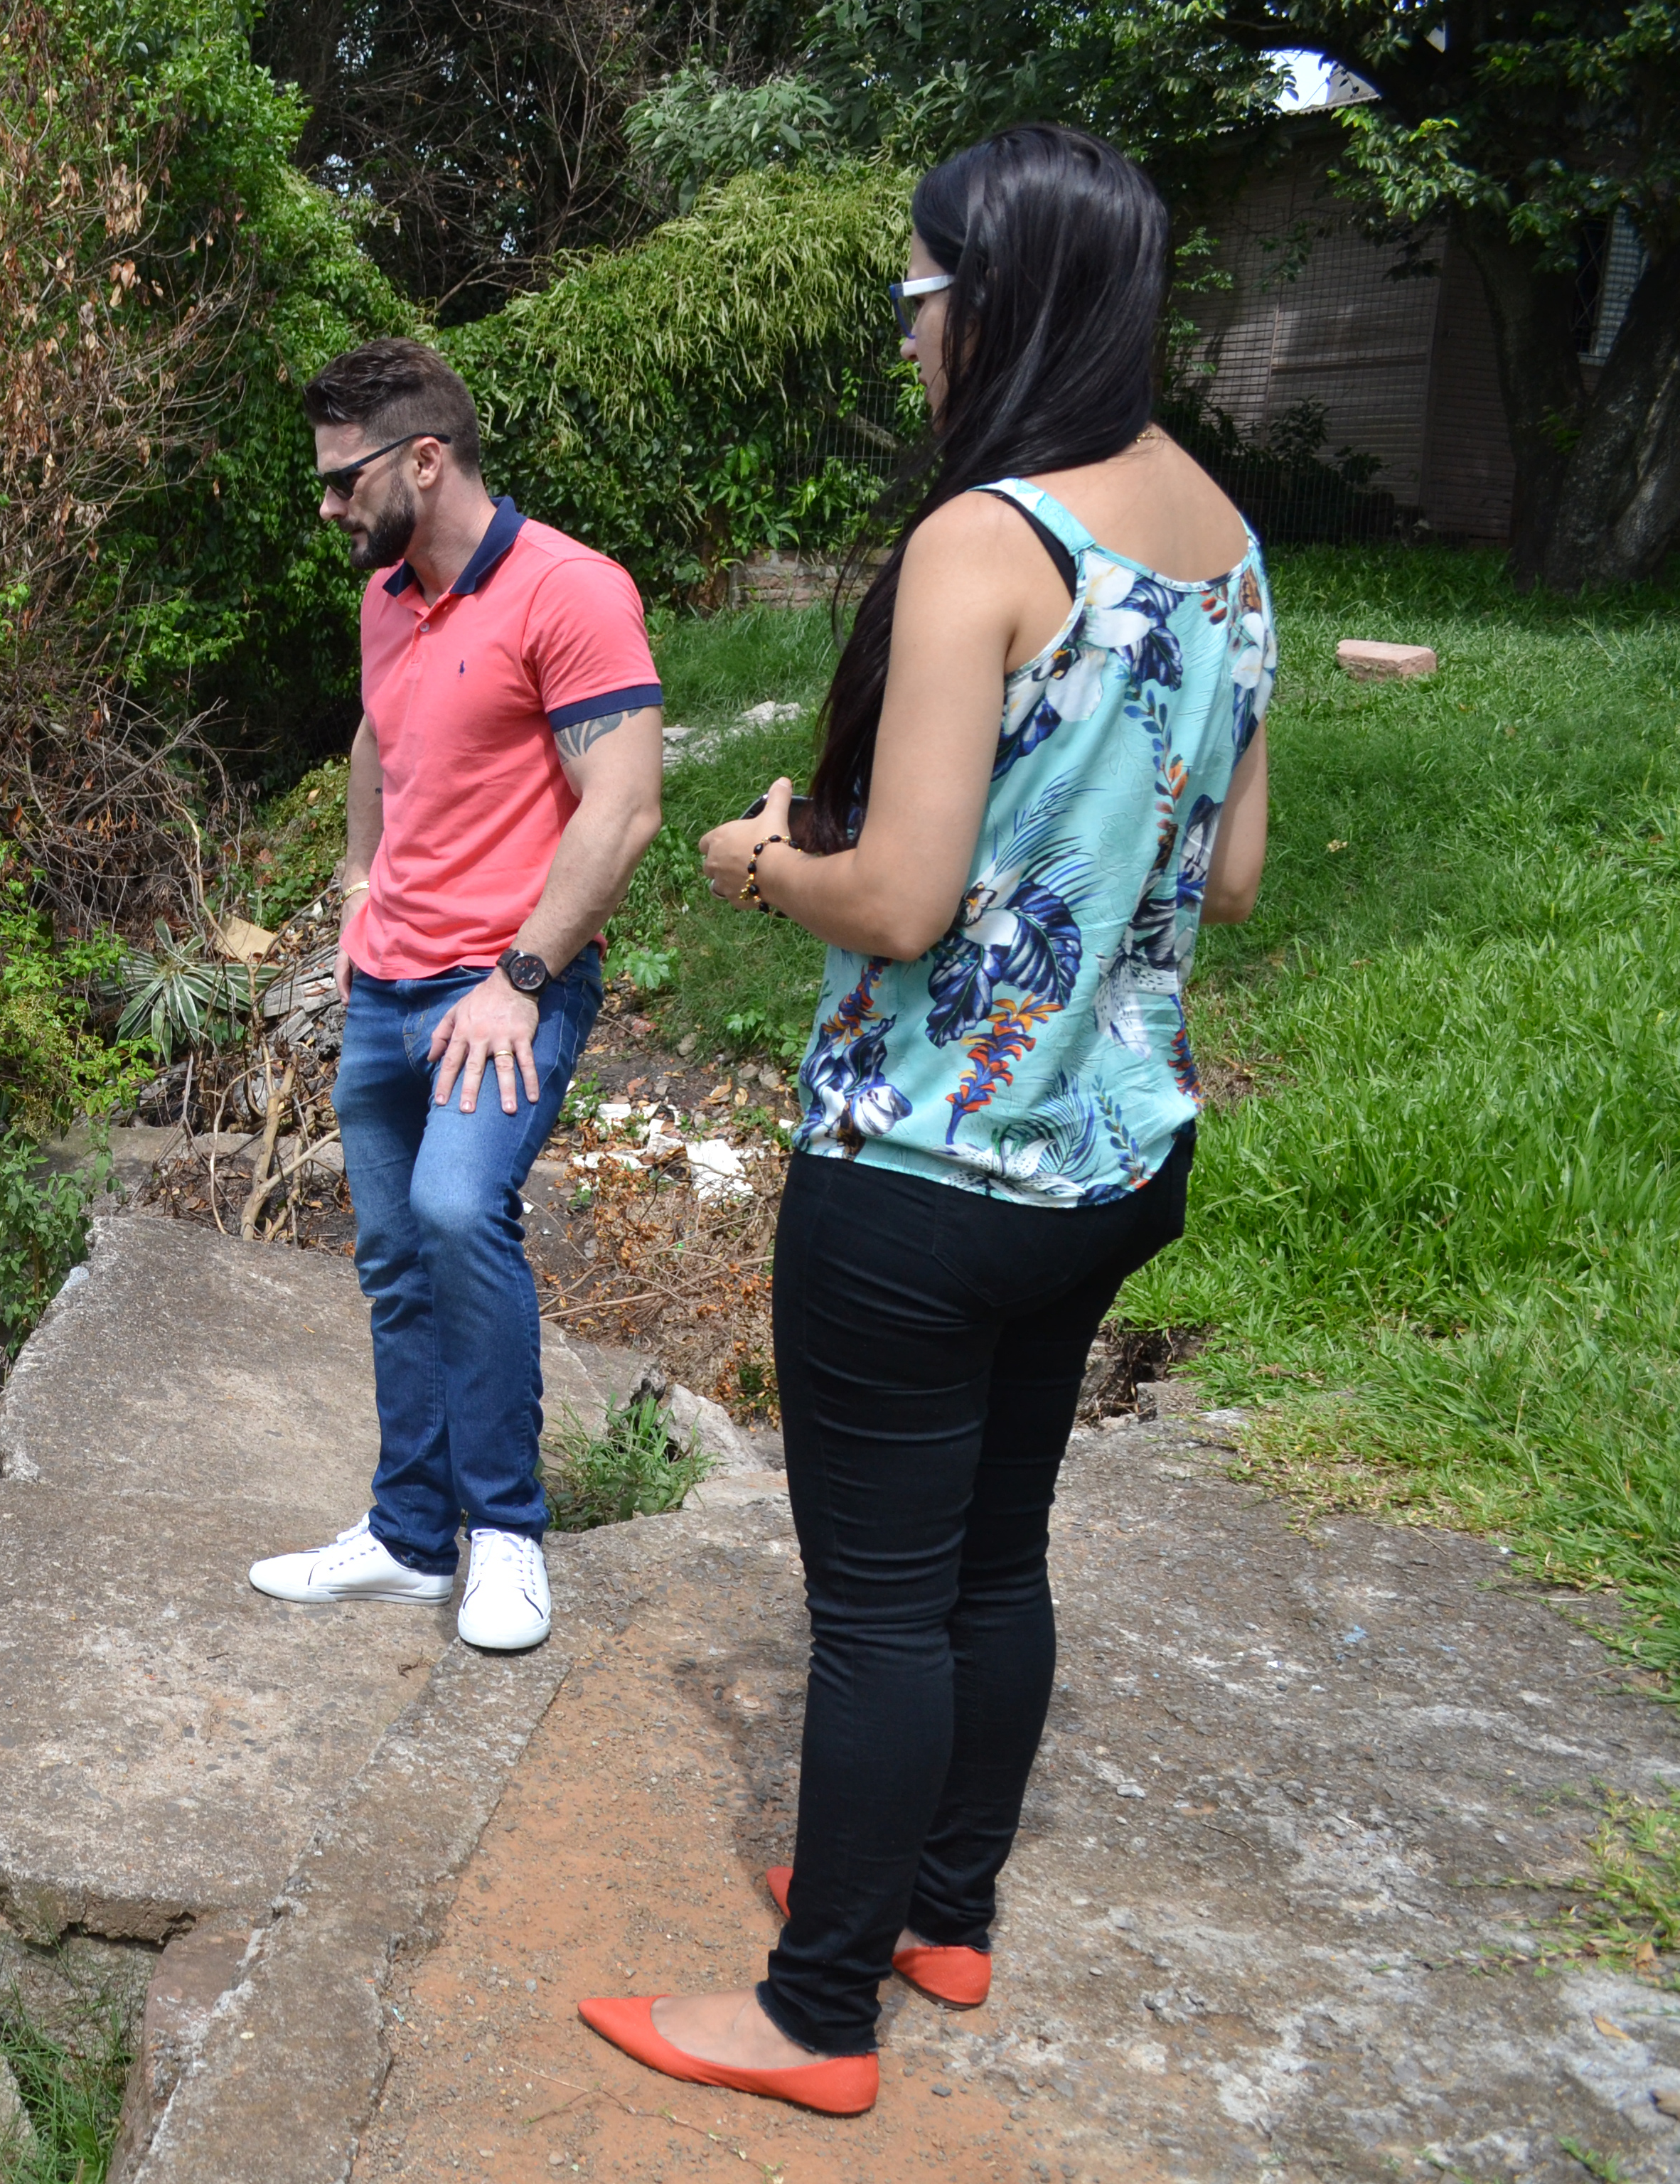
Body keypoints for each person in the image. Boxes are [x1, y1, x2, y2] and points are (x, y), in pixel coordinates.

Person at [575, 124, 1273, 2116]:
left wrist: (756, 859)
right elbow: (1220, 880)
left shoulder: (988, 539)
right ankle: (939, 1909)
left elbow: (900, 899)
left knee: (877, 1607)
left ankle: (813, 2014)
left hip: (925, 1170)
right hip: (1114, 1158)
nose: (908, 344)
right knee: (996, 1561)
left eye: (916, 299)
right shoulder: (1225, 537)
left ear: (1004, 296)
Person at [245, 338, 666, 1654]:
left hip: (507, 987)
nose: (328, 507)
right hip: (386, 984)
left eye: (341, 480)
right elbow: (379, 732)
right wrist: (359, 876)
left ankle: (504, 1537)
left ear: (425, 460)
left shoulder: (572, 592)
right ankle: (412, 1539)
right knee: (389, 1257)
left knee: (455, 1211)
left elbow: (627, 808)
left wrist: (522, 980)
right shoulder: (389, 595)